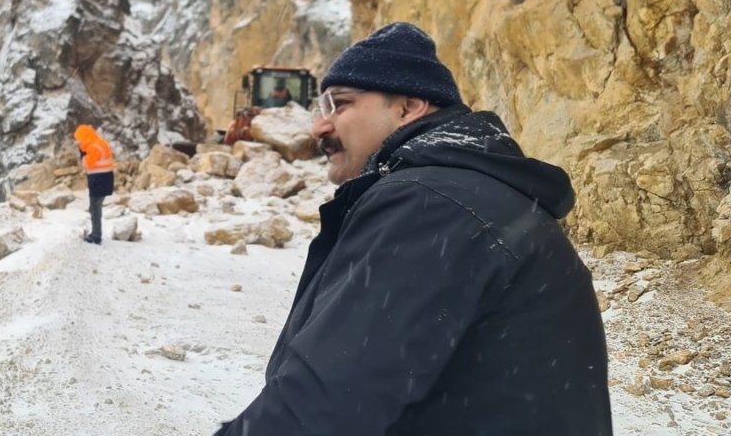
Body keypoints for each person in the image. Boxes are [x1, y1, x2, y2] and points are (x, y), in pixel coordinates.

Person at [216, 22, 611, 435]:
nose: (319, 126)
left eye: (341, 104)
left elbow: (322, 405)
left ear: (408, 108)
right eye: (322, 107)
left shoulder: (429, 204)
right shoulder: (476, 196)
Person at [73, 124, 115, 244]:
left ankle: (96, 235)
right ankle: (96, 232)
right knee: (96, 208)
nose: (78, 142)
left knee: (95, 209)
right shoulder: (100, 142)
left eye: (79, 139)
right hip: (105, 178)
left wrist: (82, 153)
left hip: (98, 179)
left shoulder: (93, 147)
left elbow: (87, 164)